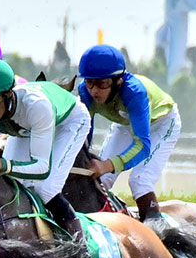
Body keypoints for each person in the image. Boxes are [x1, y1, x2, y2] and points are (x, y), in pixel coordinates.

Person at [0, 57, 100, 258]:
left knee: (45, 188)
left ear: (8, 94)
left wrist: (1, 164)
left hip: (69, 122)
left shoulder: (36, 107)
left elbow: (41, 168)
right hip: (23, 128)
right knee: (10, 182)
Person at [76, 44, 181, 234]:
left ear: (118, 81)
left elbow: (143, 145)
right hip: (125, 124)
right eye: (90, 82)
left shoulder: (134, 93)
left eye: (102, 84)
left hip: (161, 123)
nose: (94, 91)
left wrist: (108, 164)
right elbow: (84, 134)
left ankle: (157, 230)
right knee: (100, 178)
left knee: (139, 181)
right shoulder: (85, 92)